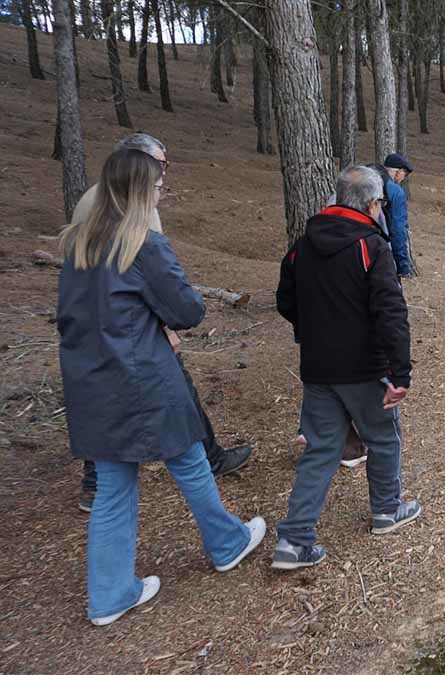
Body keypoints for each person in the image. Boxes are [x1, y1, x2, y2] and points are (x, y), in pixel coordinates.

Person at [58, 149, 265, 626]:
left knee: (112, 484)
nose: (161, 192)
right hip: (142, 380)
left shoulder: (77, 244)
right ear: (140, 191)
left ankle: (110, 593)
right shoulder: (141, 245)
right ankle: (227, 543)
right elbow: (189, 310)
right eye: (157, 185)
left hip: (91, 381)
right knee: (190, 458)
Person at [72, 133, 250, 514]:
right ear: (138, 168)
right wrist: (167, 325)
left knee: (107, 406)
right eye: (159, 168)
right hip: (132, 334)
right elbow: (154, 280)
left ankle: (96, 483)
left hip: (95, 333)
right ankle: (211, 462)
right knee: (176, 401)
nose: (163, 177)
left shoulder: (97, 200)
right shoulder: (134, 210)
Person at [274, 166, 419, 570]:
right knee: (384, 438)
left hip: (318, 367)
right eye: (381, 205)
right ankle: (387, 510)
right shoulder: (373, 247)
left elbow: (286, 300)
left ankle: (293, 540)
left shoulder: (304, 244)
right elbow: (392, 314)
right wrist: (400, 373)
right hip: (363, 369)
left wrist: (313, 330)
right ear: (373, 204)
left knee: (321, 450)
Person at [383, 153, 415, 278]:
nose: (404, 177)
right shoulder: (396, 192)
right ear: (398, 172)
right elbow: (397, 229)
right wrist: (403, 265)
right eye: (405, 174)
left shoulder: (363, 182)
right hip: (381, 251)